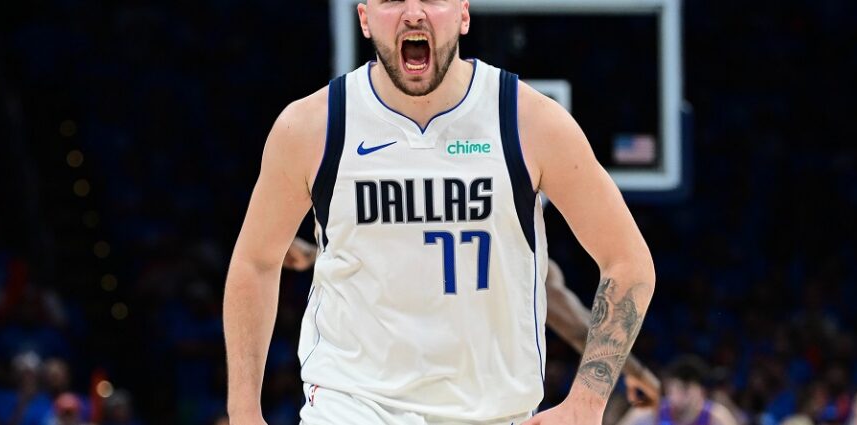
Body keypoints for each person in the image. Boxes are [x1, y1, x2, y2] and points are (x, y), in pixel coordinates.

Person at [223, 0, 655, 423]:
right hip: (350, 405)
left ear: (463, 14)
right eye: (392, 0)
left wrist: (587, 401)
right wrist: (243, 413)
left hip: (494, 411)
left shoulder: (530, 120)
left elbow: (628, 261)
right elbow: (255, 262)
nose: (413, 13)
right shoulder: (312, 126)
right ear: (364, 19)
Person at [285, 237, 661, 407]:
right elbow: (577, 326)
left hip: (398, 391)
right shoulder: (518, 253)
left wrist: (314, 254)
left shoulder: (407, 224)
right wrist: (638, 372)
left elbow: (370, 255)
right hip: (464, 398)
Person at [617, 355, 739, 425]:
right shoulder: (650, 412)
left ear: (702, 392)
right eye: (676, 388)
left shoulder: (716, 417)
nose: (680, 395)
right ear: (668, 389)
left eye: (686, 389)